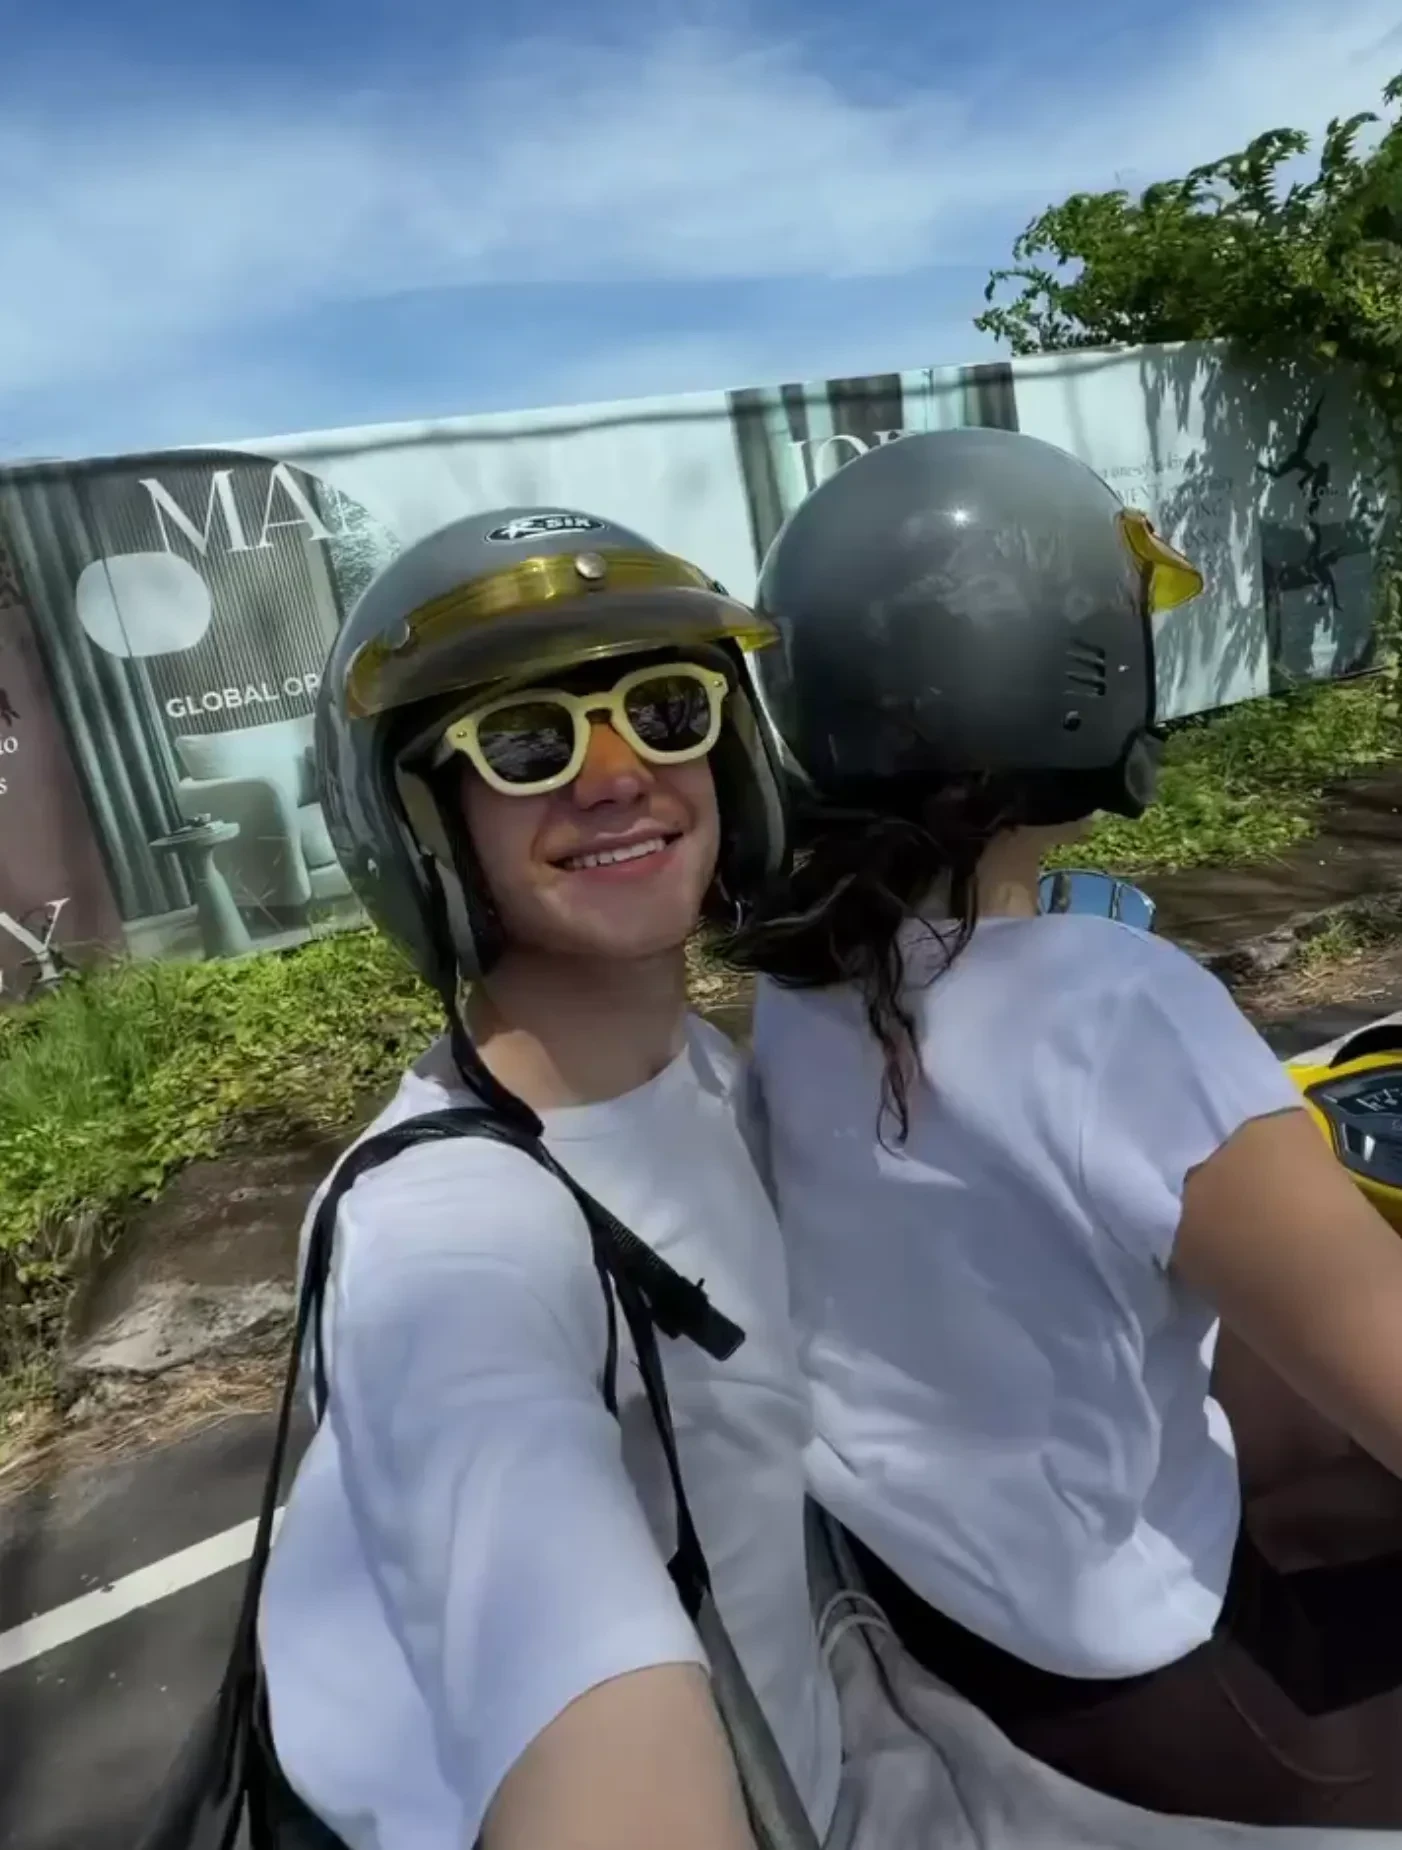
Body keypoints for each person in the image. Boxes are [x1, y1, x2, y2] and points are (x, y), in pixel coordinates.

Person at [721, 427, 1402, 1830]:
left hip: (971, 1624)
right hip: (1191, 1698)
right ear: (1079, 669)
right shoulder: (1120, 1010)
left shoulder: (808, 986)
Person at [255, 507, 953, 1850]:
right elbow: (571, 1676)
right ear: (423, 830)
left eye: (668, 710)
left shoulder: (708, 1074)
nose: (619, 774)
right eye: (528, 741)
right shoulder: (445, 1239)